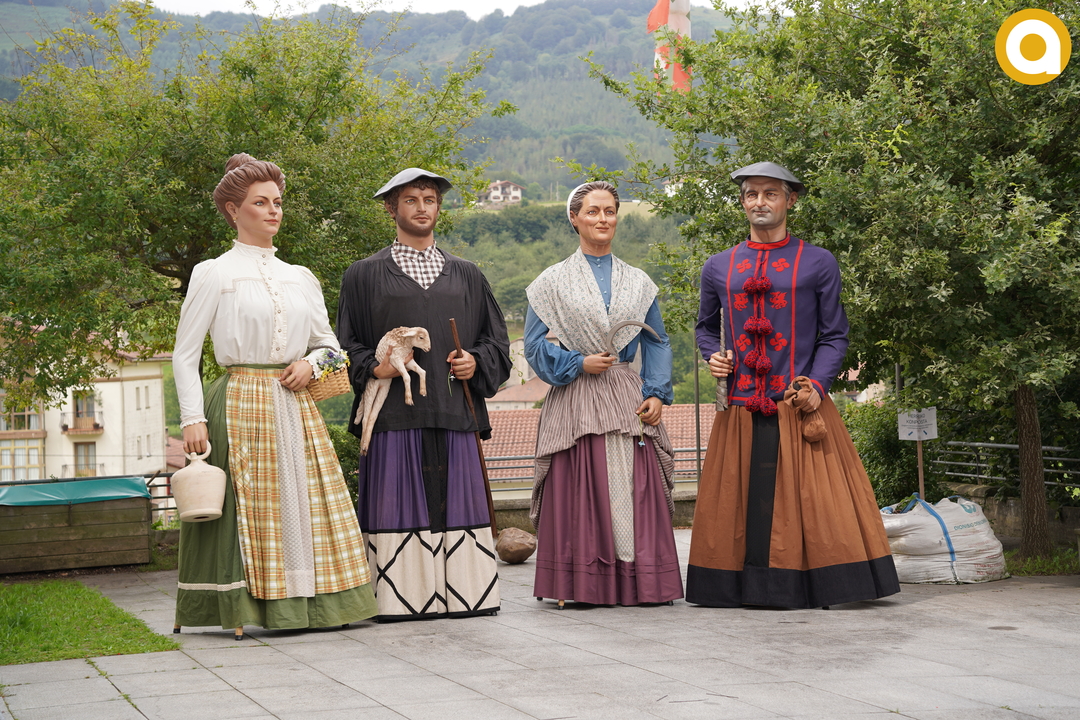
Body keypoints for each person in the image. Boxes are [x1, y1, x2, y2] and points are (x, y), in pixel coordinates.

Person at [173, 153, 377, 638]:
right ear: (232, 210)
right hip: (239, 399)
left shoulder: (300, 276)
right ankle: (247, 607)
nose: (273, 211)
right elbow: (184, 353)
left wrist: (311, 364)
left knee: (304, 502)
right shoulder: (213, 272)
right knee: (249, 506)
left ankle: (315, 604)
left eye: (277, 202)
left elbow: (332, 347)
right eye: (260, 202)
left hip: (293, 404)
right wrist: (191, 417)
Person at [688, 161, 900, 609]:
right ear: (742, 202)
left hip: (800, 405)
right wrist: (713, 355)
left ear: (791, 200)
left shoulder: (819, 261)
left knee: (818, 505)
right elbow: (705, 327)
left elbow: (835, 335)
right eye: (751, 194)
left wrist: (818, 387)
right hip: (739, 410)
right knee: (737, 506)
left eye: (770, 193)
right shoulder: (718, 266)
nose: (759, 202)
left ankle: (813, 587)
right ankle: (736, 588)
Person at [337, 168, 512, 621]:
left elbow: (497, 343)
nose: (421, 207)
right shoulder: (362, 275)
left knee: (459, 506)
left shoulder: (468, 275)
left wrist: (475, 361)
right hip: (393, 415)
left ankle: (468, 596)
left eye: (429, 199)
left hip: (455, 411)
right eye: (411, 200)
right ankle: (400, 600)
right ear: (391, 208)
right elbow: (345, 345)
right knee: (398, 504)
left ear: (438, 207)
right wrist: (374, 367)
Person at [526, 181, 683, 607]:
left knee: (634, 484)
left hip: (627, 395)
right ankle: (579, 585)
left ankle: (642, 583)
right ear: (574, 218)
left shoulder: (638, 281)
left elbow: (658, 341)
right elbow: (534, 346)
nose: (602, 219)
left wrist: (656, 392)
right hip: (576, 395)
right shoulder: (551, 281)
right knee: (580, 484)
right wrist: (577, 363)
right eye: (592, 211)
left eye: (609, 211)